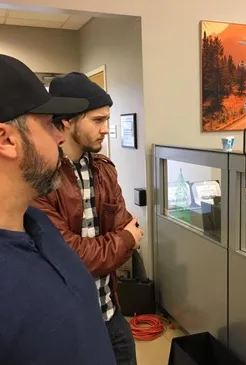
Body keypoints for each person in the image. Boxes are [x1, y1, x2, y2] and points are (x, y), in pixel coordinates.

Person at [0, 54, 118, 364]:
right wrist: (125, 239)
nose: (59, 136)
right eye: (48, 124)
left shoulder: (37, 224)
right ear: (6, 139)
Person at [33, 72, 143, 365]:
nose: (106, 129)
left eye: (107, 120)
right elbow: (68, 256)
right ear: (67, 121)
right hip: (67, 324)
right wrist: (123, 240)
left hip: (110, 312)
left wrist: (120, 240)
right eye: (97, 120)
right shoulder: (41, 177)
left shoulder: (104, 168)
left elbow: (127, 227)